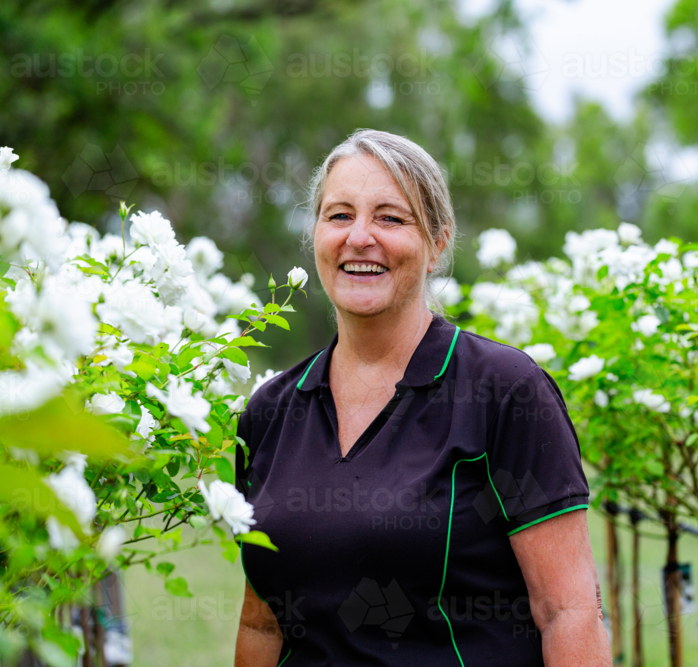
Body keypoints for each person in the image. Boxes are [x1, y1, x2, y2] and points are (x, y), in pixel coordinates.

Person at [234, 129, 611, 667]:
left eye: (390, 218)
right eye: (339, 215)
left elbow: (567, 612)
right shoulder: (269, 414)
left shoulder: (504, 393)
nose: (360, 237)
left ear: (437, 242)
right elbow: (262, 621)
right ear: (315, 235)